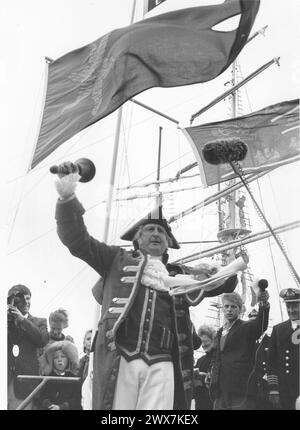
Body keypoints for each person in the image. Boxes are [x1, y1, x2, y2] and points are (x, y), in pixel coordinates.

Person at [53, 163, 238, 410]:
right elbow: (76, 239)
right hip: (123, 358)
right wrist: (66, 198)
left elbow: (220, 284)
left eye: (161, 231)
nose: (156, 234)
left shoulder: (179, 275)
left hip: (163, 363)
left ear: (168, 243)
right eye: (149, 229)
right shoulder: (115, 259)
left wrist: (220, 271)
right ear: (137, 239)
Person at [210, 290, 270, 410]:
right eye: (226, 306)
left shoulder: (246, 327)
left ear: (240, 309)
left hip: (240, 389)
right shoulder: (219, 332)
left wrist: (263, 304)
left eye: (233, 306)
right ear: (222, 308)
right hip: (221, 389)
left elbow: (260, 325)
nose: (229, 309)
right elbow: (216, 358)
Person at [7, 284, 49, 410]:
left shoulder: (39, 322)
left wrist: (22, 320)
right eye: (21, 299)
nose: (26, 302)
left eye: (28, 298)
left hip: (23, 385)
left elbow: (42, 340)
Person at [267, 287, 300, 410]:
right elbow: (271, 361)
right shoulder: (278, 330)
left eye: (295, 305)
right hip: (285, 390)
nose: (291, 310)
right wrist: (273, 389)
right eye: (288, 306)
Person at [37, 340, 82, 410]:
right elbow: (42, 396)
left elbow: (76, 399)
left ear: (69, 359)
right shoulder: (47, 378)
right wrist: (49, 405)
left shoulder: (74, 379)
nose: (59, 360)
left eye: (63, 357)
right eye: (56, 357)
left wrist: (61, 407)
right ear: (51, 360)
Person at [193, 325, 216, 410]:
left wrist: (205, 376)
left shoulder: (219, 358)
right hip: (199, 403)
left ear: (213, 340)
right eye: (201, 342)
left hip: (213, 403)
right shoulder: (200, 360)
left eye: (206, 341)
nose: (203, 345)